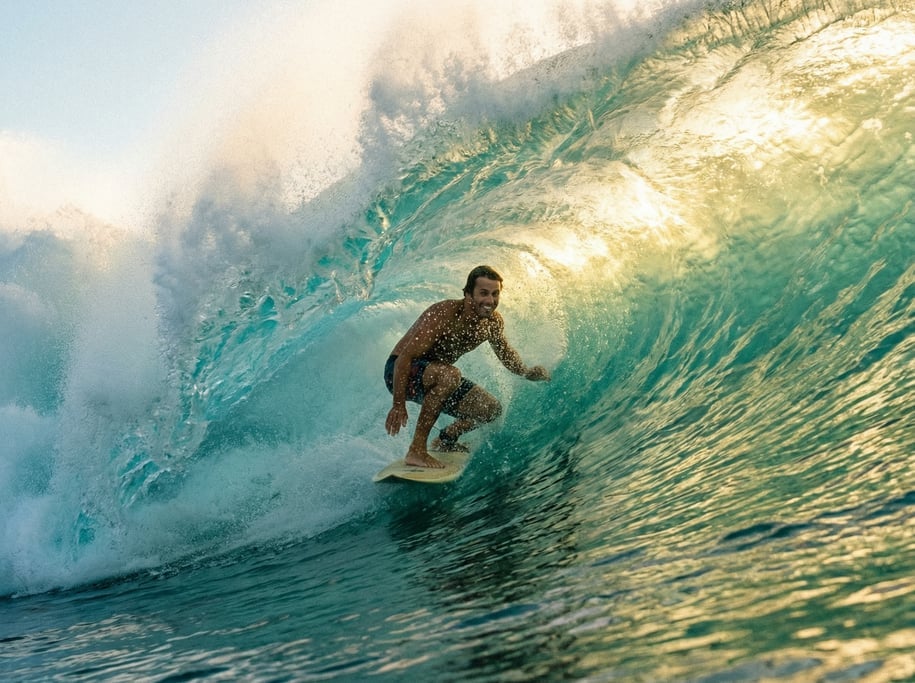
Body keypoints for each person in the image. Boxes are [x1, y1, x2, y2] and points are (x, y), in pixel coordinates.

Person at [384, 265, 551, 468]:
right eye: (483, 293)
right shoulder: (443, 314)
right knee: (450, 375)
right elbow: (404, 359)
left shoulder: (491, 323)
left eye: (495, 294)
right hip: (399, 371)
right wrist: (398, 404)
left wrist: (526, 372)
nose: (490, 301)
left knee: (490, 409)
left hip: (438, 377)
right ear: (467, 294)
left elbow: (505, 355)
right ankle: (417, 450)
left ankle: (446, 439)